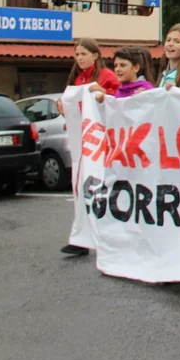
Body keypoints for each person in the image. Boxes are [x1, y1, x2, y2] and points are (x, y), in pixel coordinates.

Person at [60, 38, 121, 256]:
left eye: (83, 54)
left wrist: (103, 91)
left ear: (95, 55)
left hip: (102, 141)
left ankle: (104, 238)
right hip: (84, 143)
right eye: (77, 54)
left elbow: (119, 99)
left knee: (101, 188)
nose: (80, 58)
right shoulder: (77, 79)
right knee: (81, 187)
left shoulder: (106, 76)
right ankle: (81, 237)